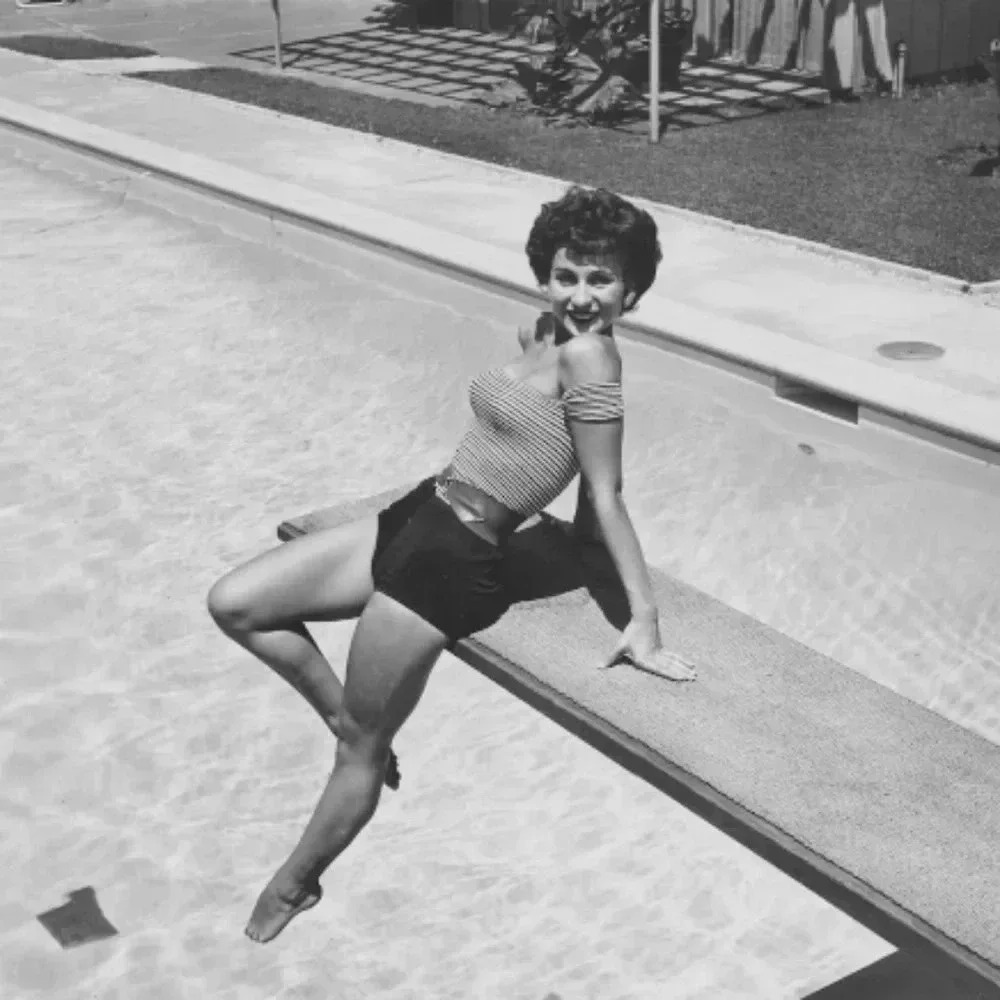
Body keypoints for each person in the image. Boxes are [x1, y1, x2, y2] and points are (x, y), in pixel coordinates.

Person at [206, 184, 697, 945]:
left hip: (455, 558)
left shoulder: (594, 356)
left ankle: (296, 882)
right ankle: (346, 711)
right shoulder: (550, 335)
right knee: (236, 602)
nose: (582, 294)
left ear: (632, 289)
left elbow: (606, 488)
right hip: (420, 512)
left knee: (359, 753)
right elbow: (543, 448)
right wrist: (571, 529)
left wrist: (646, 622)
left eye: (601, 279)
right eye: (568, 274)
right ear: (544, 275)